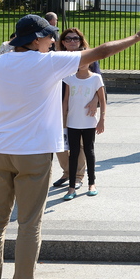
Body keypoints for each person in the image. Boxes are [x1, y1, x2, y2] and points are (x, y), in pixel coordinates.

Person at [0, 14, 140, 279]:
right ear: (34, 39)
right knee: (29, 224)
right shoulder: (50, 62)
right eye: (48, 36)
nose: (53, 40)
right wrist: (138, 37)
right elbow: (101, 51)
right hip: (34, 152)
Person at [51, 28, 101, 189]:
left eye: (76, 39)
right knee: (60, 142)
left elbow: (99, 83)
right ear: (62, 42)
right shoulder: (57, 58)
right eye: (68, 39)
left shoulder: (88, 56)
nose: (72, 41)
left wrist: (95, 101)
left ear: (81, 40)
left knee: (79, 145)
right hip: (57, 105)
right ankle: (68, 172)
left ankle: (78, 176)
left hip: (81, 106)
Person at [61, 58, 106, 200]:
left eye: (86, 61)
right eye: (79, 62)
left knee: (89, 151)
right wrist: (63, 120)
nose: (82, 64)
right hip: (73, 122)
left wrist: (102, 120)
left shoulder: (96, 78)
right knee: (73, 154)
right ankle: (71, 187)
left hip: (89, 122)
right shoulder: (69, 79)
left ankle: (92, 183)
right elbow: (66, 100)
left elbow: (102, 100)